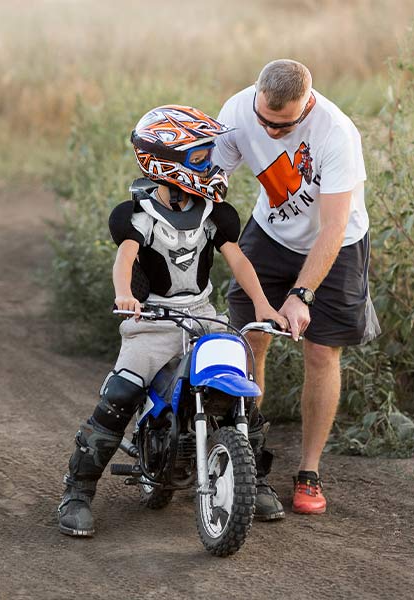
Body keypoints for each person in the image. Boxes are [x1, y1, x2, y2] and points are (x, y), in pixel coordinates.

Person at [57, 105, 287, 537]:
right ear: (166, 162)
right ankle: (78, 490)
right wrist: (124, 295)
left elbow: (238, 261)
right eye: (200, 156)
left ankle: (252, 479)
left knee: (243, 388)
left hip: (202, 316)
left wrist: (263, 306)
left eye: (208, 154)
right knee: (121, 393)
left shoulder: (214, 213)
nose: (211, 163)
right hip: (151, 320)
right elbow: (124, 258)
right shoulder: (136, 214)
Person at [212, 59, 380, 517]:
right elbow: (215, 185)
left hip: (337, 243)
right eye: (264, 119)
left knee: (321, 352)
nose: (269, 131)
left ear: (307, 105)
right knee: (250, 338)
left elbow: (332, 227)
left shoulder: (336, 133)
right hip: (269, 233)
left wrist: (301, 295)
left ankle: (308, 471)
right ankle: (247, 459)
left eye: (282, 125)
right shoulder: (237, 109)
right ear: (257, 97)